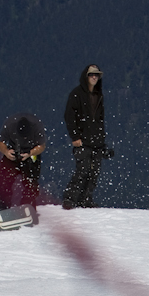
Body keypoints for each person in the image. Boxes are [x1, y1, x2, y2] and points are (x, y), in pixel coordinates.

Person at [63, 63, 112, 209]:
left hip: (96, 140)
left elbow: (100, 119)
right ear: (86, 76)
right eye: (91, 74)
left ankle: (85, 199)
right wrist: (75, 137)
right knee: (82, 169)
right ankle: (69, 199)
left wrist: (103, 142)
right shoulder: (76, 94)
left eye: (96, 75)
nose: (94, 77)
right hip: (82, 140)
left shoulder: (99, 95)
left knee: (94, 172)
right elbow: (69, 116)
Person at [0, 112, 46, 206]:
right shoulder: (9, 124)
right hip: (12, 152)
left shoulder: (37, 126)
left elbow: (42, 146)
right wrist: (6, 152)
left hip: (31, 153)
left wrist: (30, 153)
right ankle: (1, 207)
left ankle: (27, 206)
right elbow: (0, 143)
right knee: (4, 181)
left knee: (31, 184)